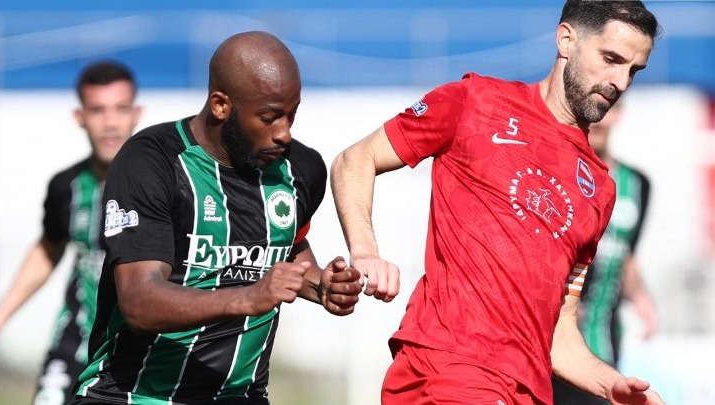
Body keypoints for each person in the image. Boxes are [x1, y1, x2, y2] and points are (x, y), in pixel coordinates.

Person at [330, 1, 666, 404]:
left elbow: (558, 332)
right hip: (450, 369)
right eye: (611, 59)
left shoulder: (599, 187)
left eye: (634, 70)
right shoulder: (475, 101)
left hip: (526, 390)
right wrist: (365, 251)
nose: (621, 82)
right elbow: (356, 159)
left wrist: (609, 385)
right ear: (566, 40)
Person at [69, 31, 362, 405]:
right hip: (130, 396)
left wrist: (321, 285)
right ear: (221, 105)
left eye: (292, 114)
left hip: (239, 396)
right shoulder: (151, 162)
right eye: (270, 117)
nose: (285, 133)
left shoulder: (301, 170)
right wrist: (249, 297)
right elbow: (139, 301)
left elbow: (287, 247)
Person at [0, 60, 141, 405]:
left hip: (138, 348)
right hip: (76, 340)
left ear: (136, 114)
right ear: (80, 116)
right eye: (98, 110)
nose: (110, 123)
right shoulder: (66, 186)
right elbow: (49, 248)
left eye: (120, 109)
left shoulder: (165, 186)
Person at [552, 102, 658, 405]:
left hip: (602, 342)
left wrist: (641, 297)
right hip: (551, 343)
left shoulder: (636, 184)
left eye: (610, 108)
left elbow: (627, 255)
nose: (599, 120)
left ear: (620, 113)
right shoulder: (554, 174)